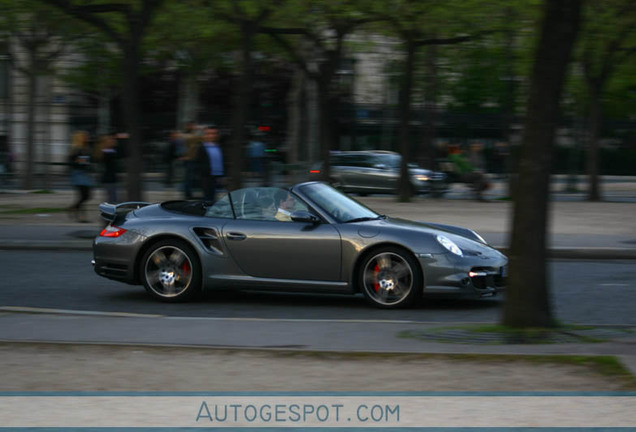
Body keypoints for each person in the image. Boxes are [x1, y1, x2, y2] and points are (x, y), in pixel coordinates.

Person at [67, 130, 94, 222]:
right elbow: (71, 161)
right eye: (84, 136)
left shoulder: (86, 148)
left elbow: (88, 160)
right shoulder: (76, 149)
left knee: (87, 195)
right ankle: (81, 217)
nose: (87, 138)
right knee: (83, 195)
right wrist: (81, 162)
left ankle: (73, 208)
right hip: (78, 174)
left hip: (85, 174)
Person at [196, 125, 225, 202]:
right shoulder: (201, 147)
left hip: (219, 176)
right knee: (208, 198)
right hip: (207, 177)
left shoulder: (220, 146)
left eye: (214, 133)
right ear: (204, 135)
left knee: (216, 197)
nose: (212, 136)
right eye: (209, 133)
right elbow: (198, 162)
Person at [93, 133, 120, 203]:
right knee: (112, 198)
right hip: (109, 178)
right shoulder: (108, 153)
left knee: (111, 197)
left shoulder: (103, 152)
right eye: (111, 140)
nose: (113, 141)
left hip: (108, 177)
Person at [180, 121, 200, 199]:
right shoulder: (188, 136)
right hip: (189, 159)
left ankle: (188, 192)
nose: (194, 127)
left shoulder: (190, 135)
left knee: (189, 177)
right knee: (189, 177)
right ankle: (187, 193)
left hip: (191, 159)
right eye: (192, 126)